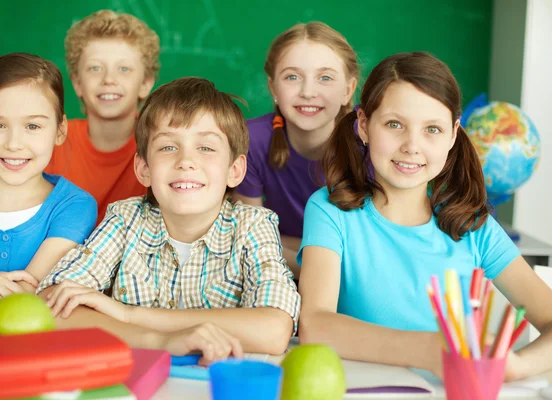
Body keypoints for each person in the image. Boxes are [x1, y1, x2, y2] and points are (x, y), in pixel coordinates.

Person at [298, 52, 552, 381]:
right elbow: (315, 324)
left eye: (432, 129)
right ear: (363, 125)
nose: (411, 145)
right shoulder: (330, 210)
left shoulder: (474, 227)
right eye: (394, 124)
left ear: (452, 135)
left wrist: (516, 367)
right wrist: (429, 350)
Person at [38, 77, 300, 364]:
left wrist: (128, 315)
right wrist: (161, 341)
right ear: (144, 168)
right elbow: (52, 304)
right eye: (167, 147)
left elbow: (274, 330)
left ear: (235, 170)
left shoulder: (253, 226)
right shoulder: (125, 220)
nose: (186, 161)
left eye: (206, 148)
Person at [0, 53, 97, 327]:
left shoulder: (74, 206)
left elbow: (29, 301)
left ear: (60, 130)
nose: (14, 143)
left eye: (32, 126)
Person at [233, 22, 358, 278]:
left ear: (348, 90)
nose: (308, 92)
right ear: (273, 88)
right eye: (292, 77)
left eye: (325, 77)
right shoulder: (251, 141)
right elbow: (251, 240)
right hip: (285, 276)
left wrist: (284, 243)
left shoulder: (370, 142)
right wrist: (326, 271)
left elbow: (371, 248)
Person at [45, 10, 159, 222]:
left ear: (145, 84)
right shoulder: (49, 141)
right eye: (95, 68)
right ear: (77, 83)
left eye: (124, 69)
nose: (108, 79)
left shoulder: (161, 147)